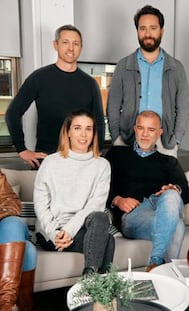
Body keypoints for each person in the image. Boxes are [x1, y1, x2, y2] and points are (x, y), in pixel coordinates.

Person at [6, 24, 105, 169]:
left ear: (81, 48)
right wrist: (21, 149)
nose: (71, 48)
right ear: (55, 45)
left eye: (75, 43)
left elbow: (99, 123)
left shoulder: (90, 83)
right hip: (47, 158)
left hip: (81, 160)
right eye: (65, 42)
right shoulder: (39, 78)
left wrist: (96, 153)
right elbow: (12, 113)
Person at [105, 110, 189, 272]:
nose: (145, 134)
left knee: (172, 195)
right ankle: (163, 273)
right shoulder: (117, 154)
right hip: (133, 214)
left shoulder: (169, 162)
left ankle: (155, 263)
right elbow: (99, 188)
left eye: (151, 130)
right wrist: (117, 200)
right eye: (141, 128)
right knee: (177, 227)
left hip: (161, 208)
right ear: (135, 129)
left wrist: (174, 189)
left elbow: (186, 195)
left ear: (159, 133)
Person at [34, 109, 114, 276]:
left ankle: (89, 278)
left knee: (101, 216)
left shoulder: (102, 165)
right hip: (51, 231)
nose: (83, 134)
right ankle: (98, 291)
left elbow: (95, 206)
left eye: (88, 128)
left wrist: (69, 230)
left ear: (94, 133)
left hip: (82, 228)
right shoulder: (51, 162)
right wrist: (55, 233)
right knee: (108, 241)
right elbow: (41, 204)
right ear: (68, 132)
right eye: (77, 128)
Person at [107, 5, 189, 157]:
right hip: (128, 140)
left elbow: (183, 107)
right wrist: (117, 138)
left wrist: (176, 140)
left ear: (161, 31)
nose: (147, 33)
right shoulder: (123, 66)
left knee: (164, 181)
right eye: (142, 28)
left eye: (153, 28)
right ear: (137, 31)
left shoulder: (176, 67)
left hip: (165, 142)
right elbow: (113, 105)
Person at [0, 172, 37, 311]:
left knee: (13, 223)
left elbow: (11, 202)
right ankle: (9, 305)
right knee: (28, 250)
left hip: (3, 226)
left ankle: (5, 305)